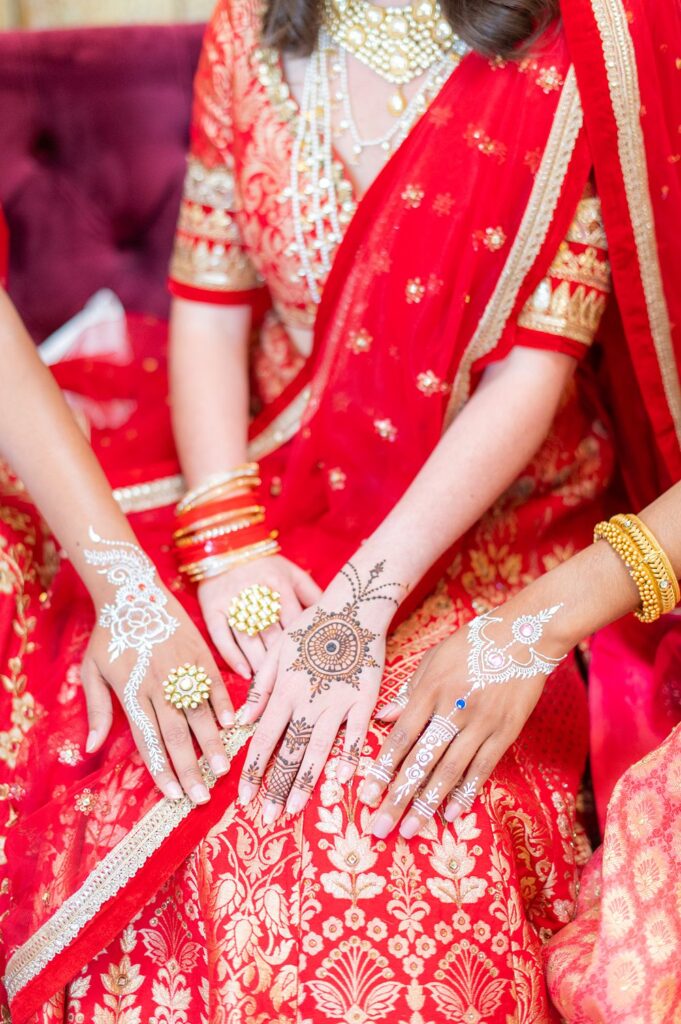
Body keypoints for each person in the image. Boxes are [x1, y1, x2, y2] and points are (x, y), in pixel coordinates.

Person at [1, 1, 679, 1023]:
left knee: (365, 790)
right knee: (137, 720)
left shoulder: (578, 47)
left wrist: (364, 598)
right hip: (263, 465)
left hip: (485, 512)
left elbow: (535, 367)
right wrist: (226, 540)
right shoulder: (249, 27)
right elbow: (212, 298)